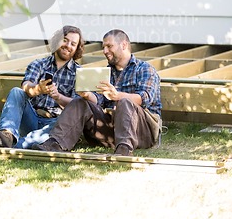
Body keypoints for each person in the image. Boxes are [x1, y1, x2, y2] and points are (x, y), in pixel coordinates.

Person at [33, 29, 162, 156]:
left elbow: (145, 98)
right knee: (80, 102)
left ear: (123, 45)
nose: (105, 51)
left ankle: (124, 150)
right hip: (112, 130)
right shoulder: (106, 72)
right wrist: (87, 95)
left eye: (109, 46)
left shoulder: (145, 69)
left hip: (142, 131)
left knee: (124, 102)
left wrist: (117, 95)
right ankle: (55, 143)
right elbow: (99, 99)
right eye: (104, 47)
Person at [0, 25, 85, 149]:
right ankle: (7, 135)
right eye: (65, 40)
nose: (68, 45)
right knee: (16, 92)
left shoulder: (80, 73)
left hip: (55, 122)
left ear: (76, 49)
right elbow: (26, 86)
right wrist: (38, 89)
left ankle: (12, 145)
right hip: (31, 118)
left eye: (73, 44)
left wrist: (58, 97)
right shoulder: (38, 64)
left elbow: (78, 106)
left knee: (61, 126)